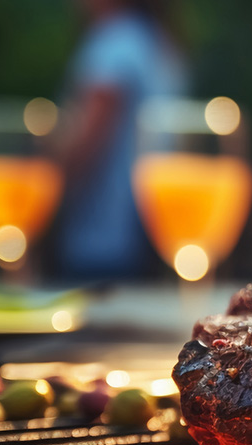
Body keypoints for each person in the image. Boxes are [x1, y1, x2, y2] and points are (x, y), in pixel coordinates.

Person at [52, 0, 186, 281]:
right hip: (150, 235)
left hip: (99, 243)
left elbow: (82, 148)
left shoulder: (113, 45)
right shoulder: (157, 41)